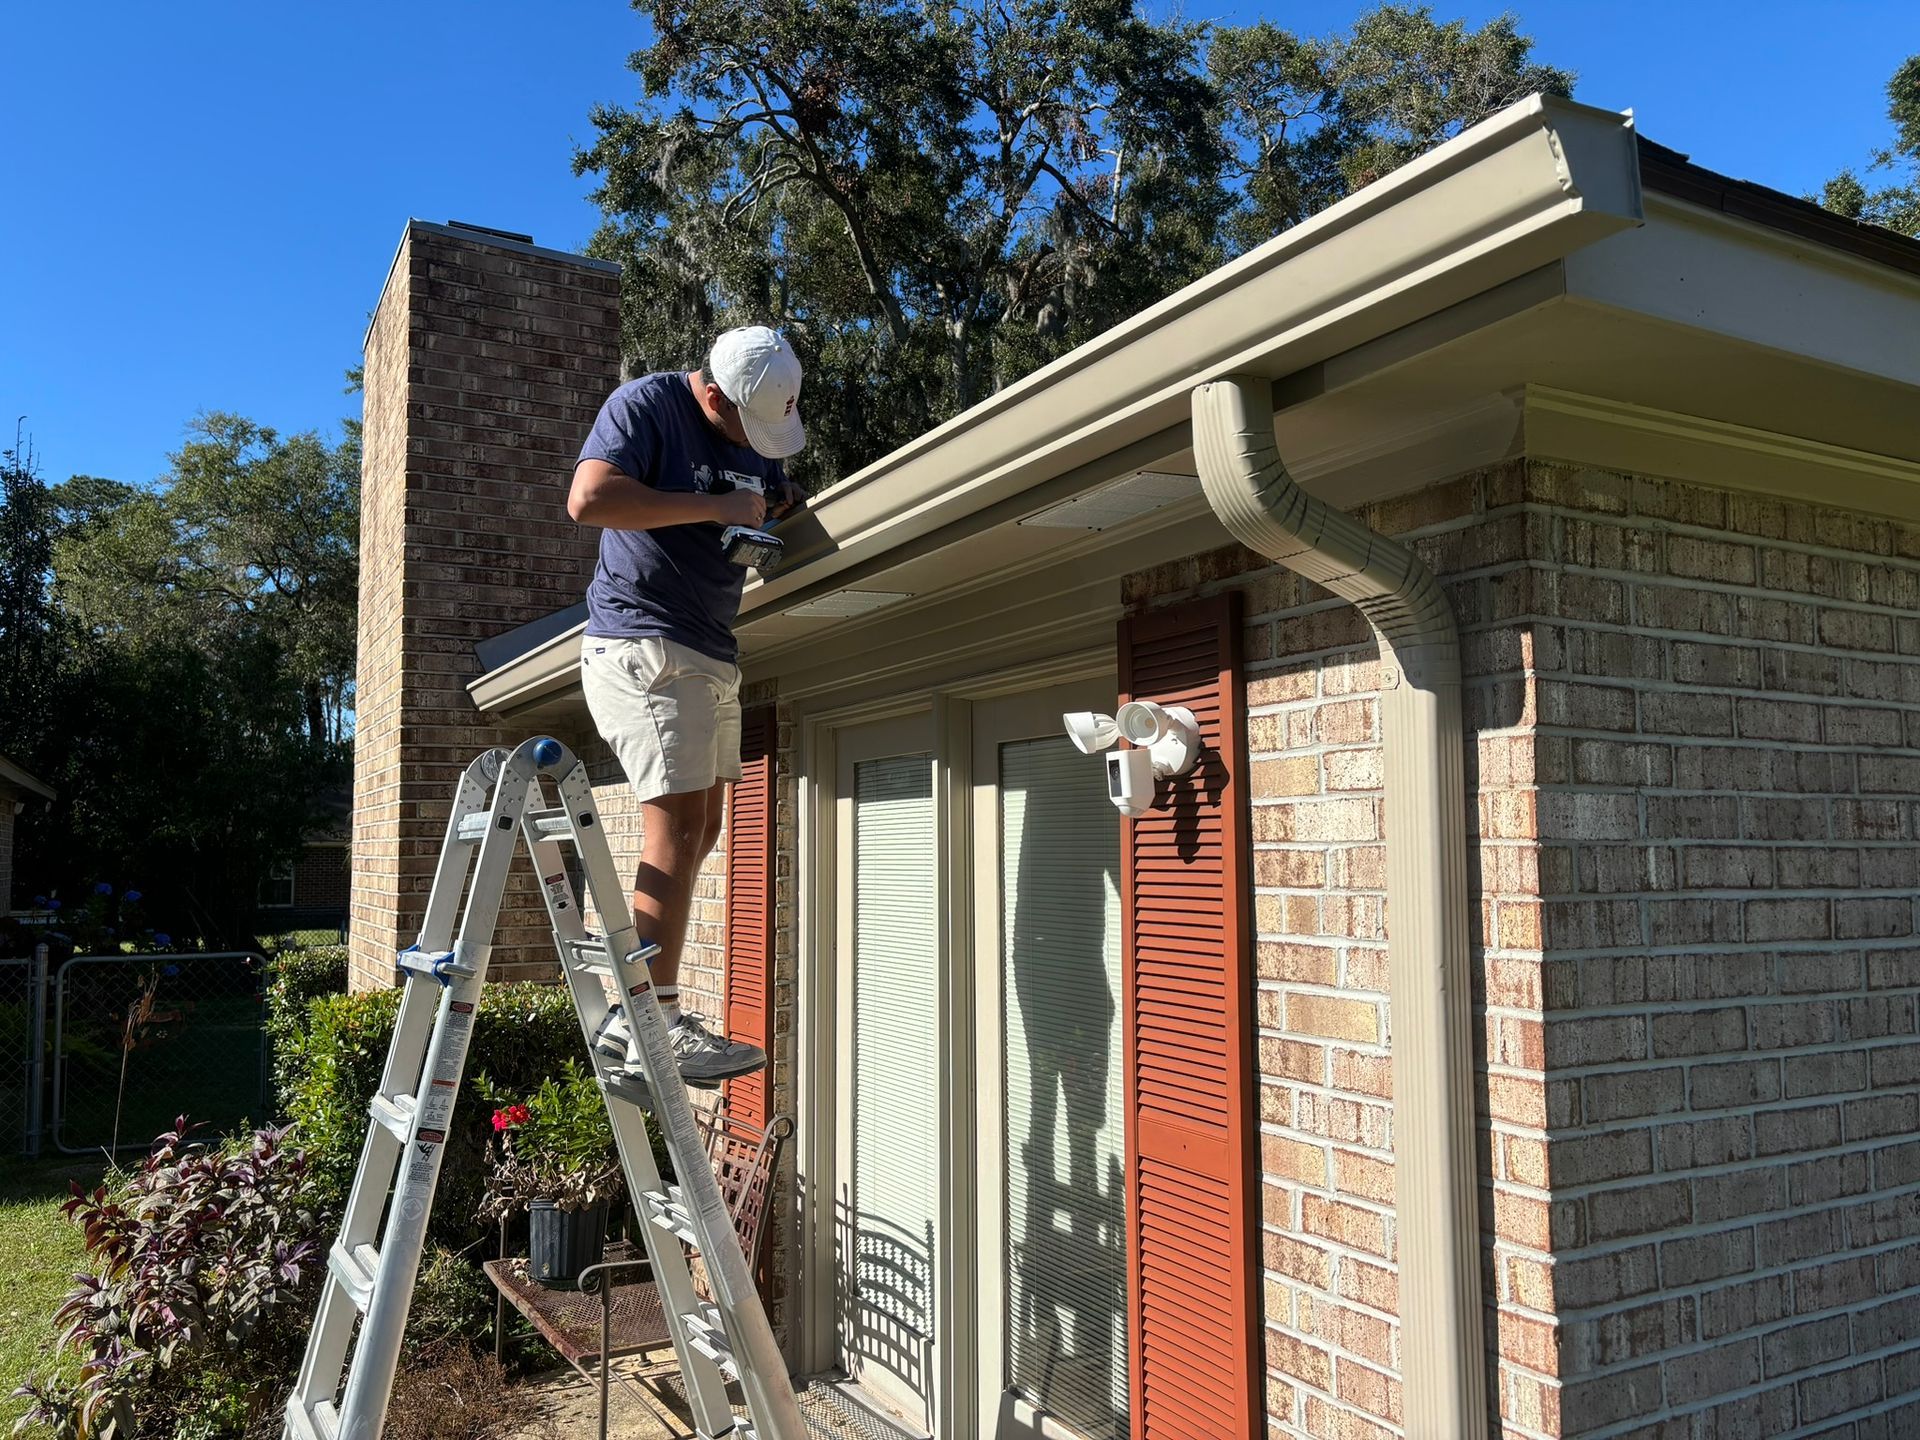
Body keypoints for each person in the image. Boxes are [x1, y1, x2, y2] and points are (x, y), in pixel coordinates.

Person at [566, 325, 807, 1084]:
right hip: (642, 644)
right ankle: (654, 1023)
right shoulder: (646, 406)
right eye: (749, 428)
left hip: (710, 649)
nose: (760, 446)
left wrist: (769, 507)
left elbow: (773, 500)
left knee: (703, 824)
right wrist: (712, 504)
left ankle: (634, 1017)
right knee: (671, 825)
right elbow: (590, 499)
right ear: (711, 392)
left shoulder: (754, 438)